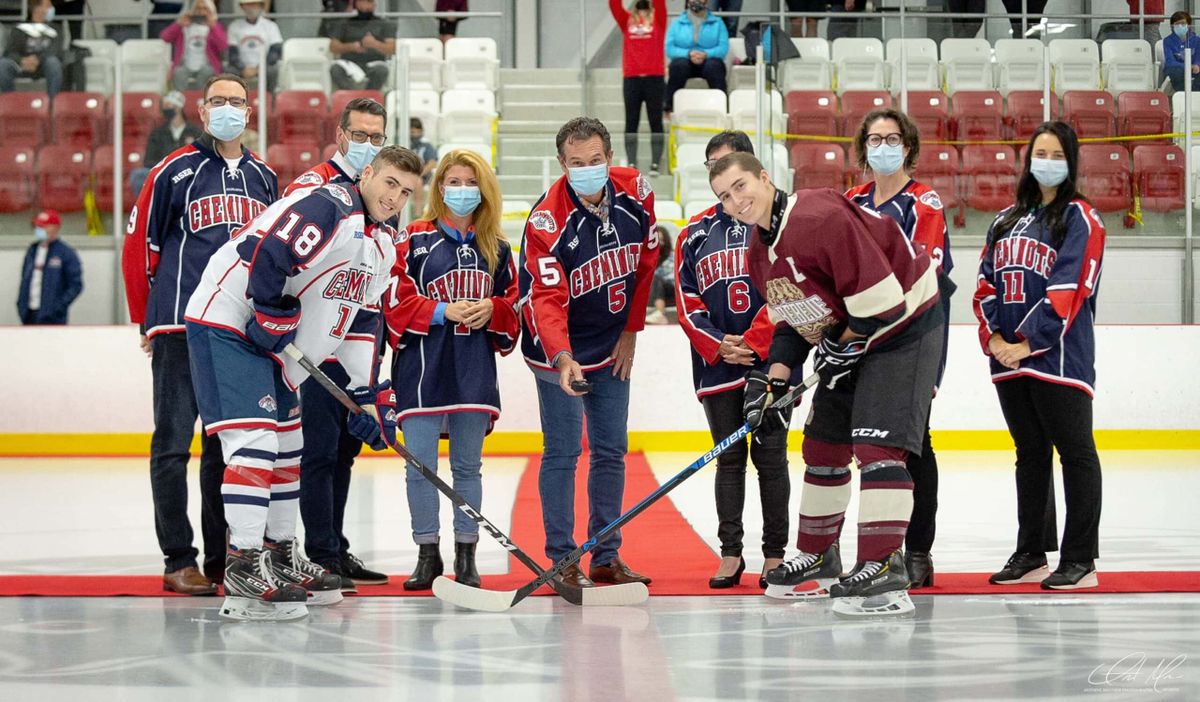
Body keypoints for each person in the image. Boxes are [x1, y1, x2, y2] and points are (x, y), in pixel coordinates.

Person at [184, 146, 424, 620]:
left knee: (290, 447)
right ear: (368, 173)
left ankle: (277, 552)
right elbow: (268, 253)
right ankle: (243, 563)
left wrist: (366, 396)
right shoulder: (332, 204)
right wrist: (272, 310)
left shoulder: (381, 243)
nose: (396, 197)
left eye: (407, 192)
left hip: (274, 346)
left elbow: (360, 322)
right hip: (229, 322)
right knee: (253, 444)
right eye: (390, 183)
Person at [709, 152, 944, 617]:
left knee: (878, 445)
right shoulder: (759, 251)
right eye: (723, 197)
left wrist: (842, 342)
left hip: (906, 326)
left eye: (740, 186)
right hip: (858, 331)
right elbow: (792, 321)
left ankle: (883, 567)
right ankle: (820, 555)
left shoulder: (819, 215)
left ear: (763, 177)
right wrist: (771, 382)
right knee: (821, 444)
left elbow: (883, 306)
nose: (736, 201)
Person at [122, 73, 277, 597]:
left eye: (237, 101)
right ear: (202, 109)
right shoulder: (173, 170)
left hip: (235, 332)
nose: (228, 109)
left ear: (249, 112)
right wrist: (147, 315)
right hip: (178, 324)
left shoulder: (264, 177)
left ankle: (220, 559)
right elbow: (141, 243)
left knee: (223, 447)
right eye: (219, 102)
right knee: (171, 445)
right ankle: (177, 558)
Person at [518, 117, 658, 588]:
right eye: (576, 164)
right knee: (562, 452)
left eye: (595, 161)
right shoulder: (546, 220)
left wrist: (632, 331)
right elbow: (547, 299)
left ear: (609, 157)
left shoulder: (637, 191)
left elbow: (646, 264)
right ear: (562, 165)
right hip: (556, 351)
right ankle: (562, 560)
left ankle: (606, 556)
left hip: (610, 341)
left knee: (611, 451)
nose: (587, 169)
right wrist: (562, 357)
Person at [974, 121, 1106, 591]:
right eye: (1039, 152)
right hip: (1008, 360)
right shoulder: (1006, 218)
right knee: (1029, 454)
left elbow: (1069, 288)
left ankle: (1080, 559)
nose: (1045, 161)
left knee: (1075, 452)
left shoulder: (1082, 218)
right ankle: (1031, 552)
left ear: (1070, 162)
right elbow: (986, 283)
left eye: (1056, 154)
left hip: (1059, 360)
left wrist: (1028, 342)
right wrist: (995, 341)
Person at [384, 149, 519, 591]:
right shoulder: (413, 239)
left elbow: (515, 309)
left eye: (470, 182)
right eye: (452, 181)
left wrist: (493, 308)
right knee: (419, 467)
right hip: (422, 371)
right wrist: (443, 310)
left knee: (468, 467)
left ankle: (467, 553)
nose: (461, 190)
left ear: (484, 189)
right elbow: (394, 302)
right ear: (439, 187)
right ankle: (427, 554)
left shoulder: (497, 248)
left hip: (473, 372)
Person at [282, 97, 392, 592]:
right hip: (316, 347)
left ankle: (334, 547)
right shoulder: (312, 187)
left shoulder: (379, 197)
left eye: (378, 137)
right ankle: (318, 553)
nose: (369, 145)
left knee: (345, 452)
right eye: (361, 135)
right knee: (319, 452)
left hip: (358, 338)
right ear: (342, 135)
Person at [675, 131, 791, 590]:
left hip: (770, 361)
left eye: (730, 168)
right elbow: (686, 301)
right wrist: (718, 343)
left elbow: (788, 288)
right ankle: (730, 551)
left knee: (772, 458)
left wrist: (757, 340)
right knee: (728, 460)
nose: (725, 182)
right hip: (717, 364)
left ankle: (776, 552)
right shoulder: (694, 234)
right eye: (713, 170)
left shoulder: (774, 225)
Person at [843, 109, 953, 590]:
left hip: (914, 337)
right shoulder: (852, 200)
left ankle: (918, 552)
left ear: (907, 146)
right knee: (866, 447)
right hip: (858, 339)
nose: (882, 146)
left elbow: (922, 279)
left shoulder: (924, 203)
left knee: (913, 444)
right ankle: (871, 553)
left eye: (891, 138)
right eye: (874, 138)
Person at [609, 0, 666, 175]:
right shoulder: (627, 20)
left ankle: (655, 163)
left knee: (655, 120)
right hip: (632, 78)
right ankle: (632, 162)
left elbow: (660, 4)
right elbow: (614, 5)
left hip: (655, 77)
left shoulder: (658, 20)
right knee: (631, 120)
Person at [131, 90, 204, 195]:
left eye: (168, 105)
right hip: (163, 173)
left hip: (188, 174)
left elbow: (201, 159)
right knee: (138, 175)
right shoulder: (157, 133)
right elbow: (148, 161)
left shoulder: (195, 132)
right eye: (164, 106)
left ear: (178, 107)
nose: (165, 109)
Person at [17, 209, 82, 325]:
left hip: (53, 318)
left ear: (55, 228)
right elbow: (25, 279)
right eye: (37, 226)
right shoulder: (32, 251)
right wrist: (21, 305)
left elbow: (76, 285)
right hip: (29, 314)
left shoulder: (65, 253)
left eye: (43, 226)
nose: (39, 230)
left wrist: (57, 307)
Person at [664, 1, 728, 115]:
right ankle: (668, 107)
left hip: (709, 60)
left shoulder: (718, 23)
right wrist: (688, 53)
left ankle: (723, 108)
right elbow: (669, 49)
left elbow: (723, 48)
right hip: (685, 59)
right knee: (678, 66)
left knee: (714, 67)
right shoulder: (676, 23)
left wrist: (706, 54)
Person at [327, 0, 396, 91]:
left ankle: (367, 98)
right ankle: (352, 97)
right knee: (335, 69)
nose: (365, 6)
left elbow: (391, 48)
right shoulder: (344, 23)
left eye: (369, 2)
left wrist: (374, 44)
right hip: (349, 63)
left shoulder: (384, 24)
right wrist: (351, 46)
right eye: (362, 2)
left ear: (374, 5)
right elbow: (333, 47)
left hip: (374, 63)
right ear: (357, 4)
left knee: (381, 70)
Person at [160, 0, 228, 92]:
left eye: (205, 9)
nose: (201, 12)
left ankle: (202, 100)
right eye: (198, 8)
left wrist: (213, 26)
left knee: (206, 73)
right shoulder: (184, 26)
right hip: (185, 65)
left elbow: (223, 46)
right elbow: (165, 37)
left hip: (207, 65)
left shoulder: (215, 27)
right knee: (178, 73)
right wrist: (178, 24)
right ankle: (180, 101)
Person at [0, 2, 63, 98]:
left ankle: (52, 104)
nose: (52, 9)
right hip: (21, 65)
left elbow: (55, 50)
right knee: (3, 65)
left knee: (54, 62)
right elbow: (10, 52)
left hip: (44, 65)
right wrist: (22, 61)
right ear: (37, 9)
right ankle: (11, 102)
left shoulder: (56, 29)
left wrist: (37, 60)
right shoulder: (20, 29)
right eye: (48, 6)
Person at [226, 0, 283, 92]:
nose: (251, 8)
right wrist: (243, 68)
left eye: (254, 4)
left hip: (264, 66)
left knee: (273, 70)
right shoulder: (234, 26)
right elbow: (232, 54)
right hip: (242, 67)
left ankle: (271, 99)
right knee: (229, 70)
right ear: (242, 7)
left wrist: (258, 69)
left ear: (261, 6)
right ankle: (233, 100)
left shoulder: (271, 26)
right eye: (248, 4)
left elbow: (275, 52)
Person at [1164, 11, 1200, 91]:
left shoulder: (1197, 40)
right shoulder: (1167, 41)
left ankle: (1195, 97)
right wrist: (1187, 66)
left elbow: (1198, 57)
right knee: (1177, 71)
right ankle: (1181, 97)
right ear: (1172, 26)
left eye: (1183, 23)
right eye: (1177, 24)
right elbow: (1170, 61)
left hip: (1194, 71)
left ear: (1189, 25)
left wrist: (1197, 65)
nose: (1180, 26)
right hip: (1177, 71)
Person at [410, 117, 439, 214]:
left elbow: (432, 163)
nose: (415, 135)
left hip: (423, 176)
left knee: (417, 181)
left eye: (417, 132)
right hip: (406, 174)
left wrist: (419, 173)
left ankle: (417, 214)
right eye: (412, 132)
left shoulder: (427, 146)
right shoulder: (404, 144)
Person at [645, 224, 673, 324]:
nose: (659, 243)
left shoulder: (671, 257)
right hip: (657, 291)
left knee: (656, 277)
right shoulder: (647, 257)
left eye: (661, 240)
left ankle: (660, 314)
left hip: (672, 289)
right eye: (656, 240)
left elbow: (673, 278)